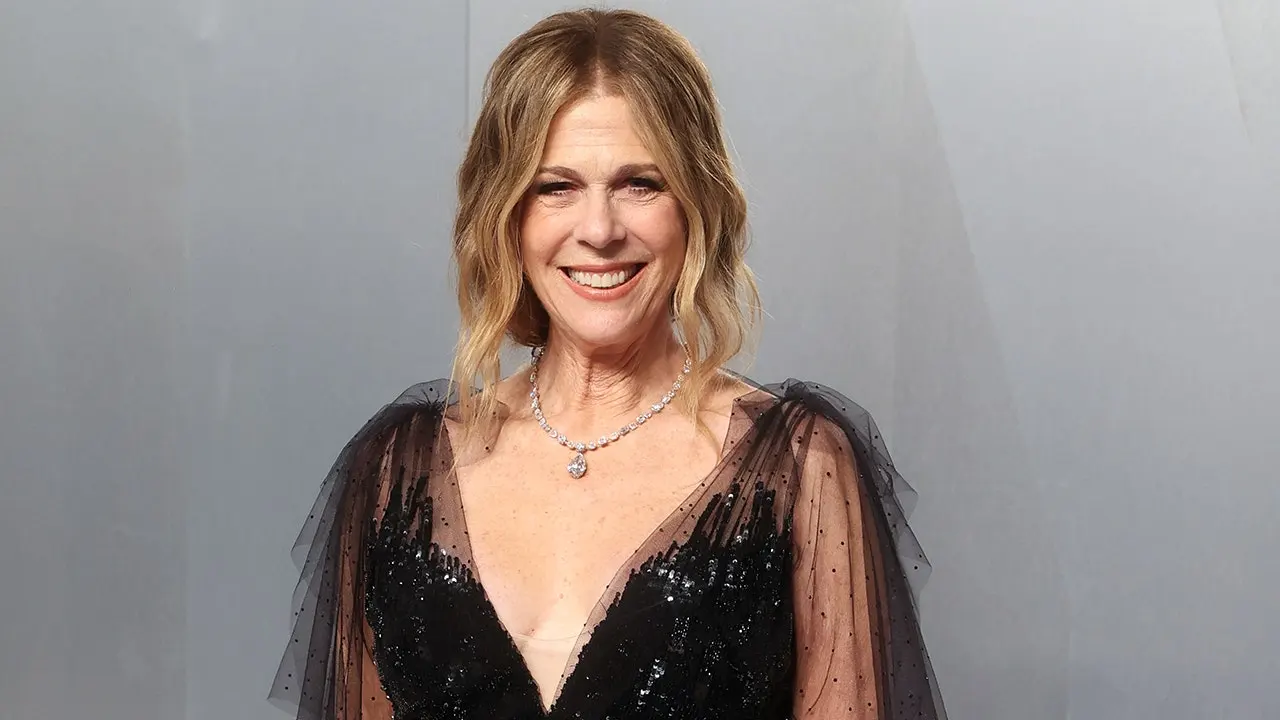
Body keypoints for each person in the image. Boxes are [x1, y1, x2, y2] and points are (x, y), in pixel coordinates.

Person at [270, 7, 946, 720]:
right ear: (506, 215)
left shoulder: (797, 469)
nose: (599, 230)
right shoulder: (396, 474)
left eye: (639, 184)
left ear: (696, 205)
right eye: (555, 187)